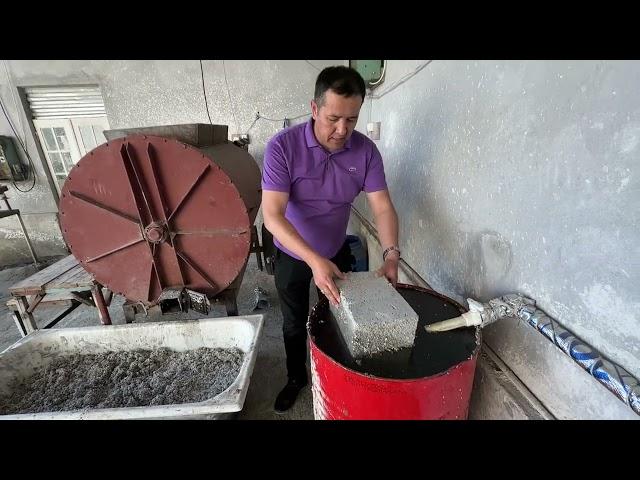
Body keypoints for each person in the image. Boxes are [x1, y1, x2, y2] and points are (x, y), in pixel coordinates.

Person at [261, 65, 401, 413]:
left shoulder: (365, 152)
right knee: (294, 320)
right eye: (333, 118)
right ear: (313, 109)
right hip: (292, 253)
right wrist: (312, 259)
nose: (342, 130)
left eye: (352, 120)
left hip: (335, 249)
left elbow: (382, 207)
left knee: (337, 313)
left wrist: (392, 255)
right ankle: (296, 378)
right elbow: (272, 215)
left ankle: (341, 375)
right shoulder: (282, 148)